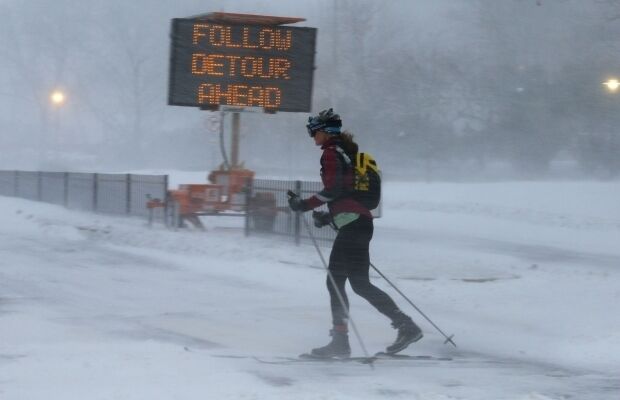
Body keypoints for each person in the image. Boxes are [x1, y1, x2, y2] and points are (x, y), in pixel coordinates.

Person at [288, 108, 423, 358]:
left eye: (314, 131)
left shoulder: (331, 154)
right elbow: (346, 193)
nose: (312, 137)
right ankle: (406, 326)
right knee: (359, 284)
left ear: (325, 131)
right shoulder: (346, 153)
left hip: (354, 226)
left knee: (335, 283)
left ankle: (341, 341)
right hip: (360, 223)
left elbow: (333, 189)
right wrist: (329, 215)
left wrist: (304, 205)